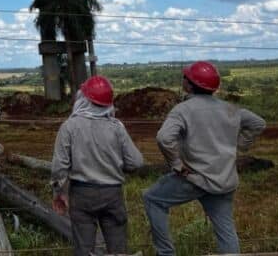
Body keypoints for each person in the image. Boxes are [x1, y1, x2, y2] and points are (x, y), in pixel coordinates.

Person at [143, 61, 266, 256]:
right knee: (226, 231)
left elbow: (164, 138)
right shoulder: (230, 109)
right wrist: (239, 145)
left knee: (152, 199)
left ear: (189, 85)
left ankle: (165, 253)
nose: (183, 79)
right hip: (224, 180)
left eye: (185, 77)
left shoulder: (183, 110)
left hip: (194, 178)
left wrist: (176, 165)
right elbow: (258, 123)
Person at [51, 75, 144, 256]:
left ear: (83, 99)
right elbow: (137, 162)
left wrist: (59, 193)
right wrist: (116, 166)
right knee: (118, 250)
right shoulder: (117, 127)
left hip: (82, 193)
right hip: (113, 194)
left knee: (84, 250)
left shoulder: (69, 126)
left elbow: (59, 167)